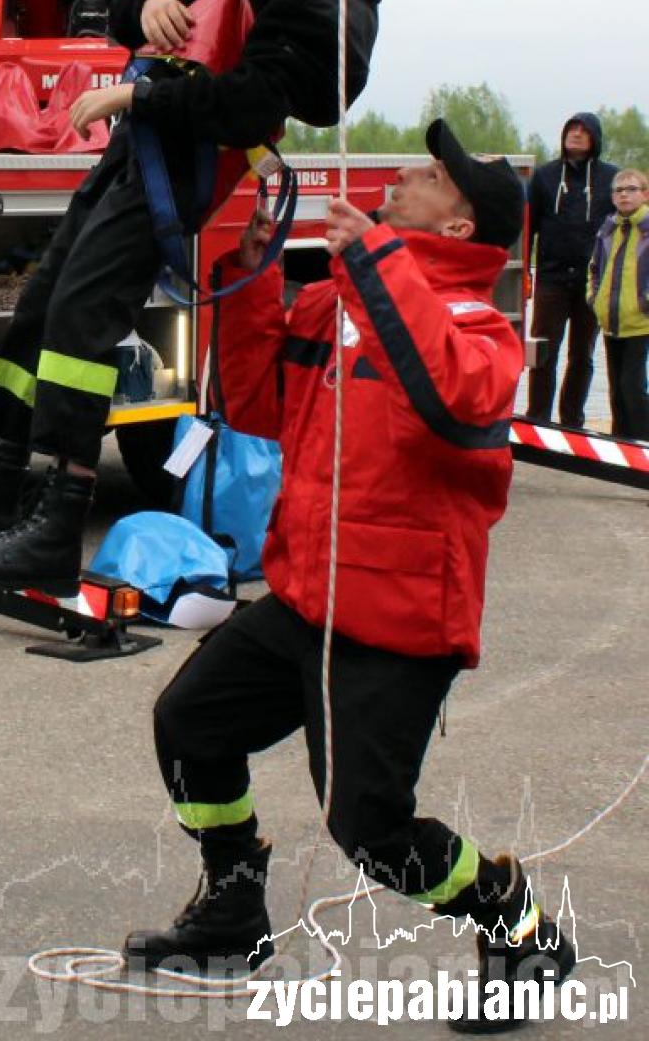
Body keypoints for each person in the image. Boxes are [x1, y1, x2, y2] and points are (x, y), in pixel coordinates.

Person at [125, 121, 576, 1031]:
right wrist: (251, 281)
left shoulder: (482, 333)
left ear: (459, 231)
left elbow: (445, 393)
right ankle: (234, 904)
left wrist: (372, 265)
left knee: (372, 832)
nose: (406, 173)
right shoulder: (347, 302)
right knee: (188, 722)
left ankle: (517, 920)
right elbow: (256, 404)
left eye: (433, 175)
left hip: (400, 625)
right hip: (305, 600)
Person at [0, 0, 403, 594]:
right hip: (140, 152)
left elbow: (246, 107)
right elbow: (178, 4)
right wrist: (152, 3)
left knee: (81, 321)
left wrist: (135, 96)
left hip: (178, 171)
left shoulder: (338, 14)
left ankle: (58, 522)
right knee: (38, 309)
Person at [526, 112, 616, 428]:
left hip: (592, 282)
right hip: (551, 278)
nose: (576, 134)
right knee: (542, 351)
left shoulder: (610, 179)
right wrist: (525, 270)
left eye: (583, 130)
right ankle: (537, 419)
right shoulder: (545, 177)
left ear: (595, 138)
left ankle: (572, 421)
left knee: (582, 355)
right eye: (571, 129)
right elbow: (529, 227)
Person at [587, 167, 649, 440]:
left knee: (632, 388)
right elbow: (595, 269)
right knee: (615, 390)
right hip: (612, 321)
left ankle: (641, 447)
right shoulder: (608, 228)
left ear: (644, 194)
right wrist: (593, 299)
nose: (624, 195)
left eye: (631, 189)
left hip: (640, 323)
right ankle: (618, 446)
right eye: (619, 190)